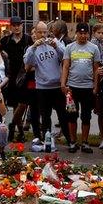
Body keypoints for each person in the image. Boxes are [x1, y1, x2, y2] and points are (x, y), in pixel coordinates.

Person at [23, 21, 66, 152]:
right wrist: (34, 47)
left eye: (44, 32)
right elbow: (27, 63)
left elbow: (65, 56)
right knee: (45, 115)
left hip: (57, 86)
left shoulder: (55, 42)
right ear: (35, 33)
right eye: (39, 32)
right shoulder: (32, 48)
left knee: (62, 114)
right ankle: (47, 139)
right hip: (42, 87)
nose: (42, 35)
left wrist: (56, 46)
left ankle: (70, 140)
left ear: (48, 32)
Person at [61, 22, 101, 153]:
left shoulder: (94, 48)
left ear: (88, 34)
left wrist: (96, 86)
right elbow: (66, 66)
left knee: (86, 116)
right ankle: (73, 142)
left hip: (88, 88)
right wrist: (63, 83)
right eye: (80, 33)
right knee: (71, 115)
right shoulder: (69, 48)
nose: (83, 36)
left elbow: (96, 69)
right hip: (72, 88)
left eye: (85, 33)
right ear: (76, 33)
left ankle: (85, 142)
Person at [1, 17, 32, 142]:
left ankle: (12, 125)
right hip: (11, 76)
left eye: (18, 24)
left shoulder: (28, 39)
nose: (16, 27)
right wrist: (3, 53)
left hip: (25, 75)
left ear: (22, 25)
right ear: (10, 27)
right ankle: (20, 133)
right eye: (14, 25)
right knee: (14, 105)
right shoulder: (5, 40)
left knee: (23, 104)